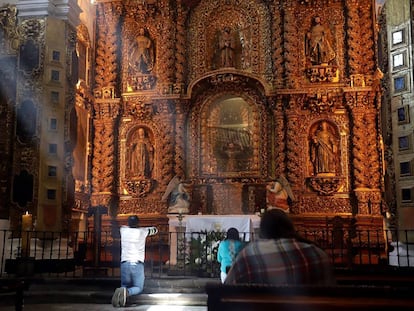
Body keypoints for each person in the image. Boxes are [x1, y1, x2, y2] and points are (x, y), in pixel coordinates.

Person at [225, 209, 335, 285]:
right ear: (290, 227)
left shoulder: (249, 255)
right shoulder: (317, 254)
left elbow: (227, 290)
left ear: (263, 232)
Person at [112, 215, 158, 307]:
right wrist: (142, 227)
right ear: (138, 223)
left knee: (124, 284)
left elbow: (116, 229)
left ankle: (122, 298)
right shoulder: (142, 231)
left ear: (128, 223)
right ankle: (128, 292)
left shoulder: (123, 230)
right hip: (137, 263)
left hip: (125, 262)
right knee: (138, 287)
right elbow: (155, 230)